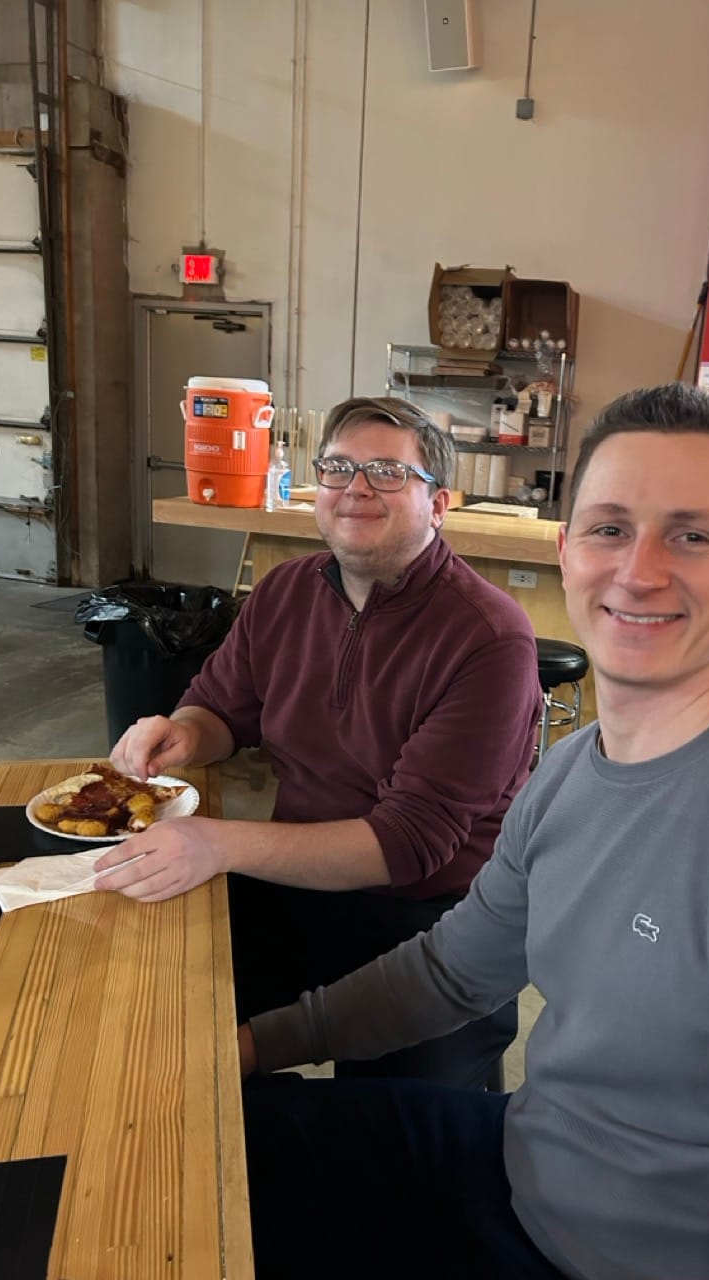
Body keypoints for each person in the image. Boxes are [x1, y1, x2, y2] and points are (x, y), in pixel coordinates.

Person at [238, 383, 709, 1280]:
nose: (638, 572)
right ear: (567, 553)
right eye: (610, 528)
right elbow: (453, 972)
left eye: (693, 536)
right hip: (526, 1166)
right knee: (207, 1139)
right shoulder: (573, 769)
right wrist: (258, 1045)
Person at [96, 395, 542, 1089]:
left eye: (387, 472)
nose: (356, 487)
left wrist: (218, 844)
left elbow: (407, 846)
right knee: (161, 1022)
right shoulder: (284, 592)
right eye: (337, 468)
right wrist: (182, 733)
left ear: (438, 505)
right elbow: (222, 710)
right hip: (296, 883)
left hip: (431, 924)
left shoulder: (489, 637)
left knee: (399, 1138)